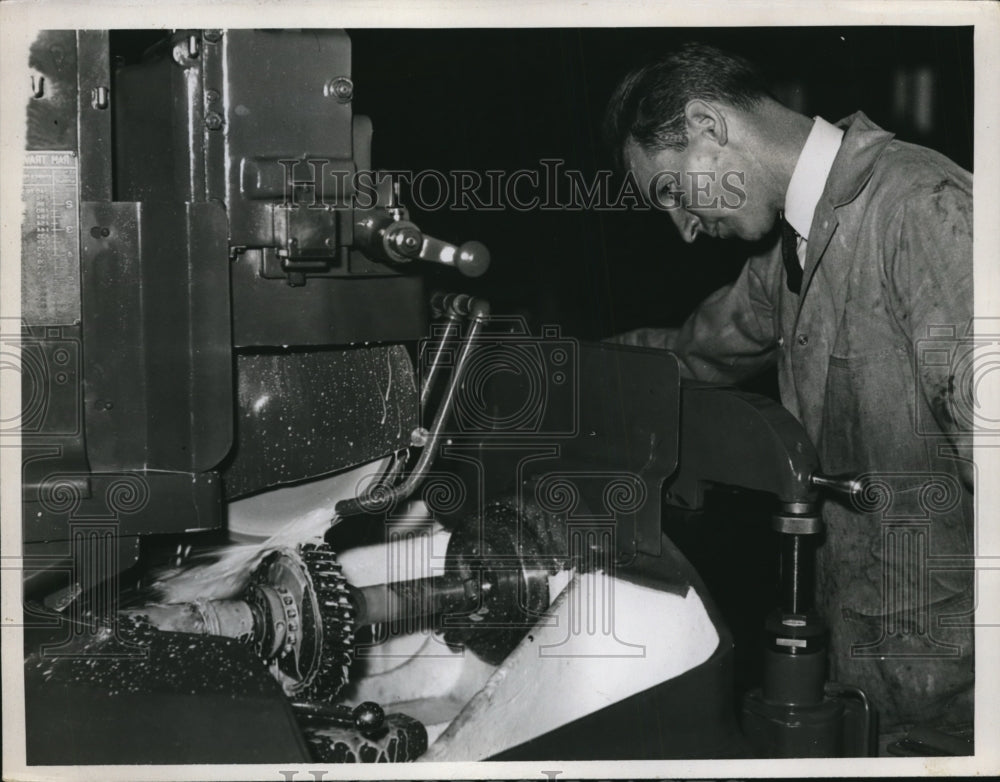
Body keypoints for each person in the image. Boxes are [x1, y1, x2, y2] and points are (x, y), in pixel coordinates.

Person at [604, 42, 974, 744]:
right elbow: (694, 354)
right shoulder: (789, 256)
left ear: (709, 127)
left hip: (961, 702)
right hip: (871, 685)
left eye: (673, 192)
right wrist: (554, 367)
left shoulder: (921, 208)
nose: (682, 230)